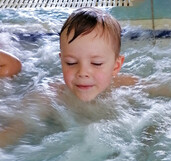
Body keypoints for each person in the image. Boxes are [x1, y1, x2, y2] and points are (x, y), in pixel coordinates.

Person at [0, 7, 137, 148]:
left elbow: (158, 86)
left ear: (116, 66)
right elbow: (14, 131)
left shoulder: (125, 85)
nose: (82, 72)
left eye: (96, 63)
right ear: (61, 61)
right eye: (71, 63)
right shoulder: (50, 95)